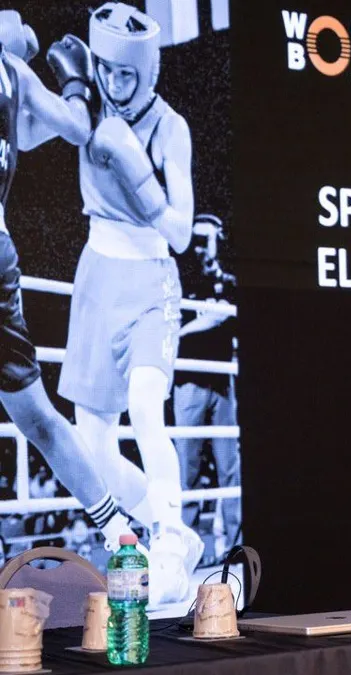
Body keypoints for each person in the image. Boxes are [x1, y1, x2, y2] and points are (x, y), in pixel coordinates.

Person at [19, 2, 201, 606]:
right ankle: (165, 530)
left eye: (127, 74)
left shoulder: (170, 127)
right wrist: (67, 90)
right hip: (96, 277)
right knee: (94, 444)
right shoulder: (89, 102)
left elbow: (181, 232)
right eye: (106, 70)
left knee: (147, 407)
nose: (115, 83)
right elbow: (27, 135)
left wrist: (138, 176)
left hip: (150, 276)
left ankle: (170, 544)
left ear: (147, 71)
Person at [0, 10, 137, 553]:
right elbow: (74, 126)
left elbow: (58, 129)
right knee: (38, 417)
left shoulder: (14, 70)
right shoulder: (15, 73)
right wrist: (75, 83)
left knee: (39, 417)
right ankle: (121, 536)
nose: (28, 32)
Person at [174, 215, 240, 561]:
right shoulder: (179, 277)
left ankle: (234, 546)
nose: (200, 246)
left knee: (230, 469)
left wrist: (187, 328)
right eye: (196, 240)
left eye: (207, 239)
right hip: (188, 382)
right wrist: (197, 322)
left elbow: (223, 313)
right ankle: (191, 551)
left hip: (222, 384)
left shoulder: (228, 280)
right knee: (187, 470)